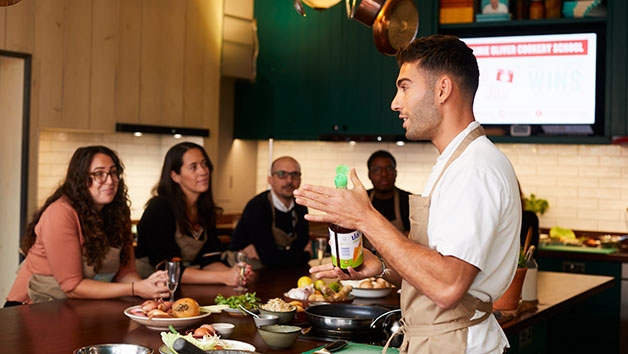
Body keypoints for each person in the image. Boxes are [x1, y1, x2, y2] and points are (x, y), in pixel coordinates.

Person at [295, 34, 521, 354]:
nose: (395, 102)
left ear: (442, 90)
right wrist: (384, 268)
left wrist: (365, 216)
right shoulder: (455, 163)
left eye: (404, 86)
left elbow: (447, 285)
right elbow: (435, 269)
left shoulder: (474, 169)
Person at [5, 146, 169, 306]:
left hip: (77, 306)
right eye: (99, 174)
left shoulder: (119, 213)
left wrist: (149, 288)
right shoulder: (60, 213)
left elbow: (126, 272)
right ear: (81, 179)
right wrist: (135, 289)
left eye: (113, 172)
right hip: (33, 307)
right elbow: (73, 287)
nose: (110, 180)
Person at [135, 142, 253, 286]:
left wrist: (235, 274)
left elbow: (210, 260)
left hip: (186, 286)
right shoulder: (159, 207)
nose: (203, 171)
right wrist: (223, 277)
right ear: (175, 176)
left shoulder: (204, 209)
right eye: (193, 167)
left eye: (204, 164)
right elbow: (169, 269)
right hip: (151, 289)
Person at [228, 156, 312, 268]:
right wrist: (306, 255)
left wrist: (276, 256)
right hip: (245, 267)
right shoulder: (257, 206)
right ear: (270, 179)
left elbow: (299, 245)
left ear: (300, 180)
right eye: (282, 174)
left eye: (295, 174)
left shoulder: (300, 206)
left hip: (281, 270)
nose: (289, 180)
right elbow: (270, 258)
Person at [366, 150, 411, 236]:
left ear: (396, 173)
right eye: (377, 170)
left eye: (389, 169)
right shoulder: (361, 200)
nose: (384, 174)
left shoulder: (408, 201)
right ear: (369, 174)